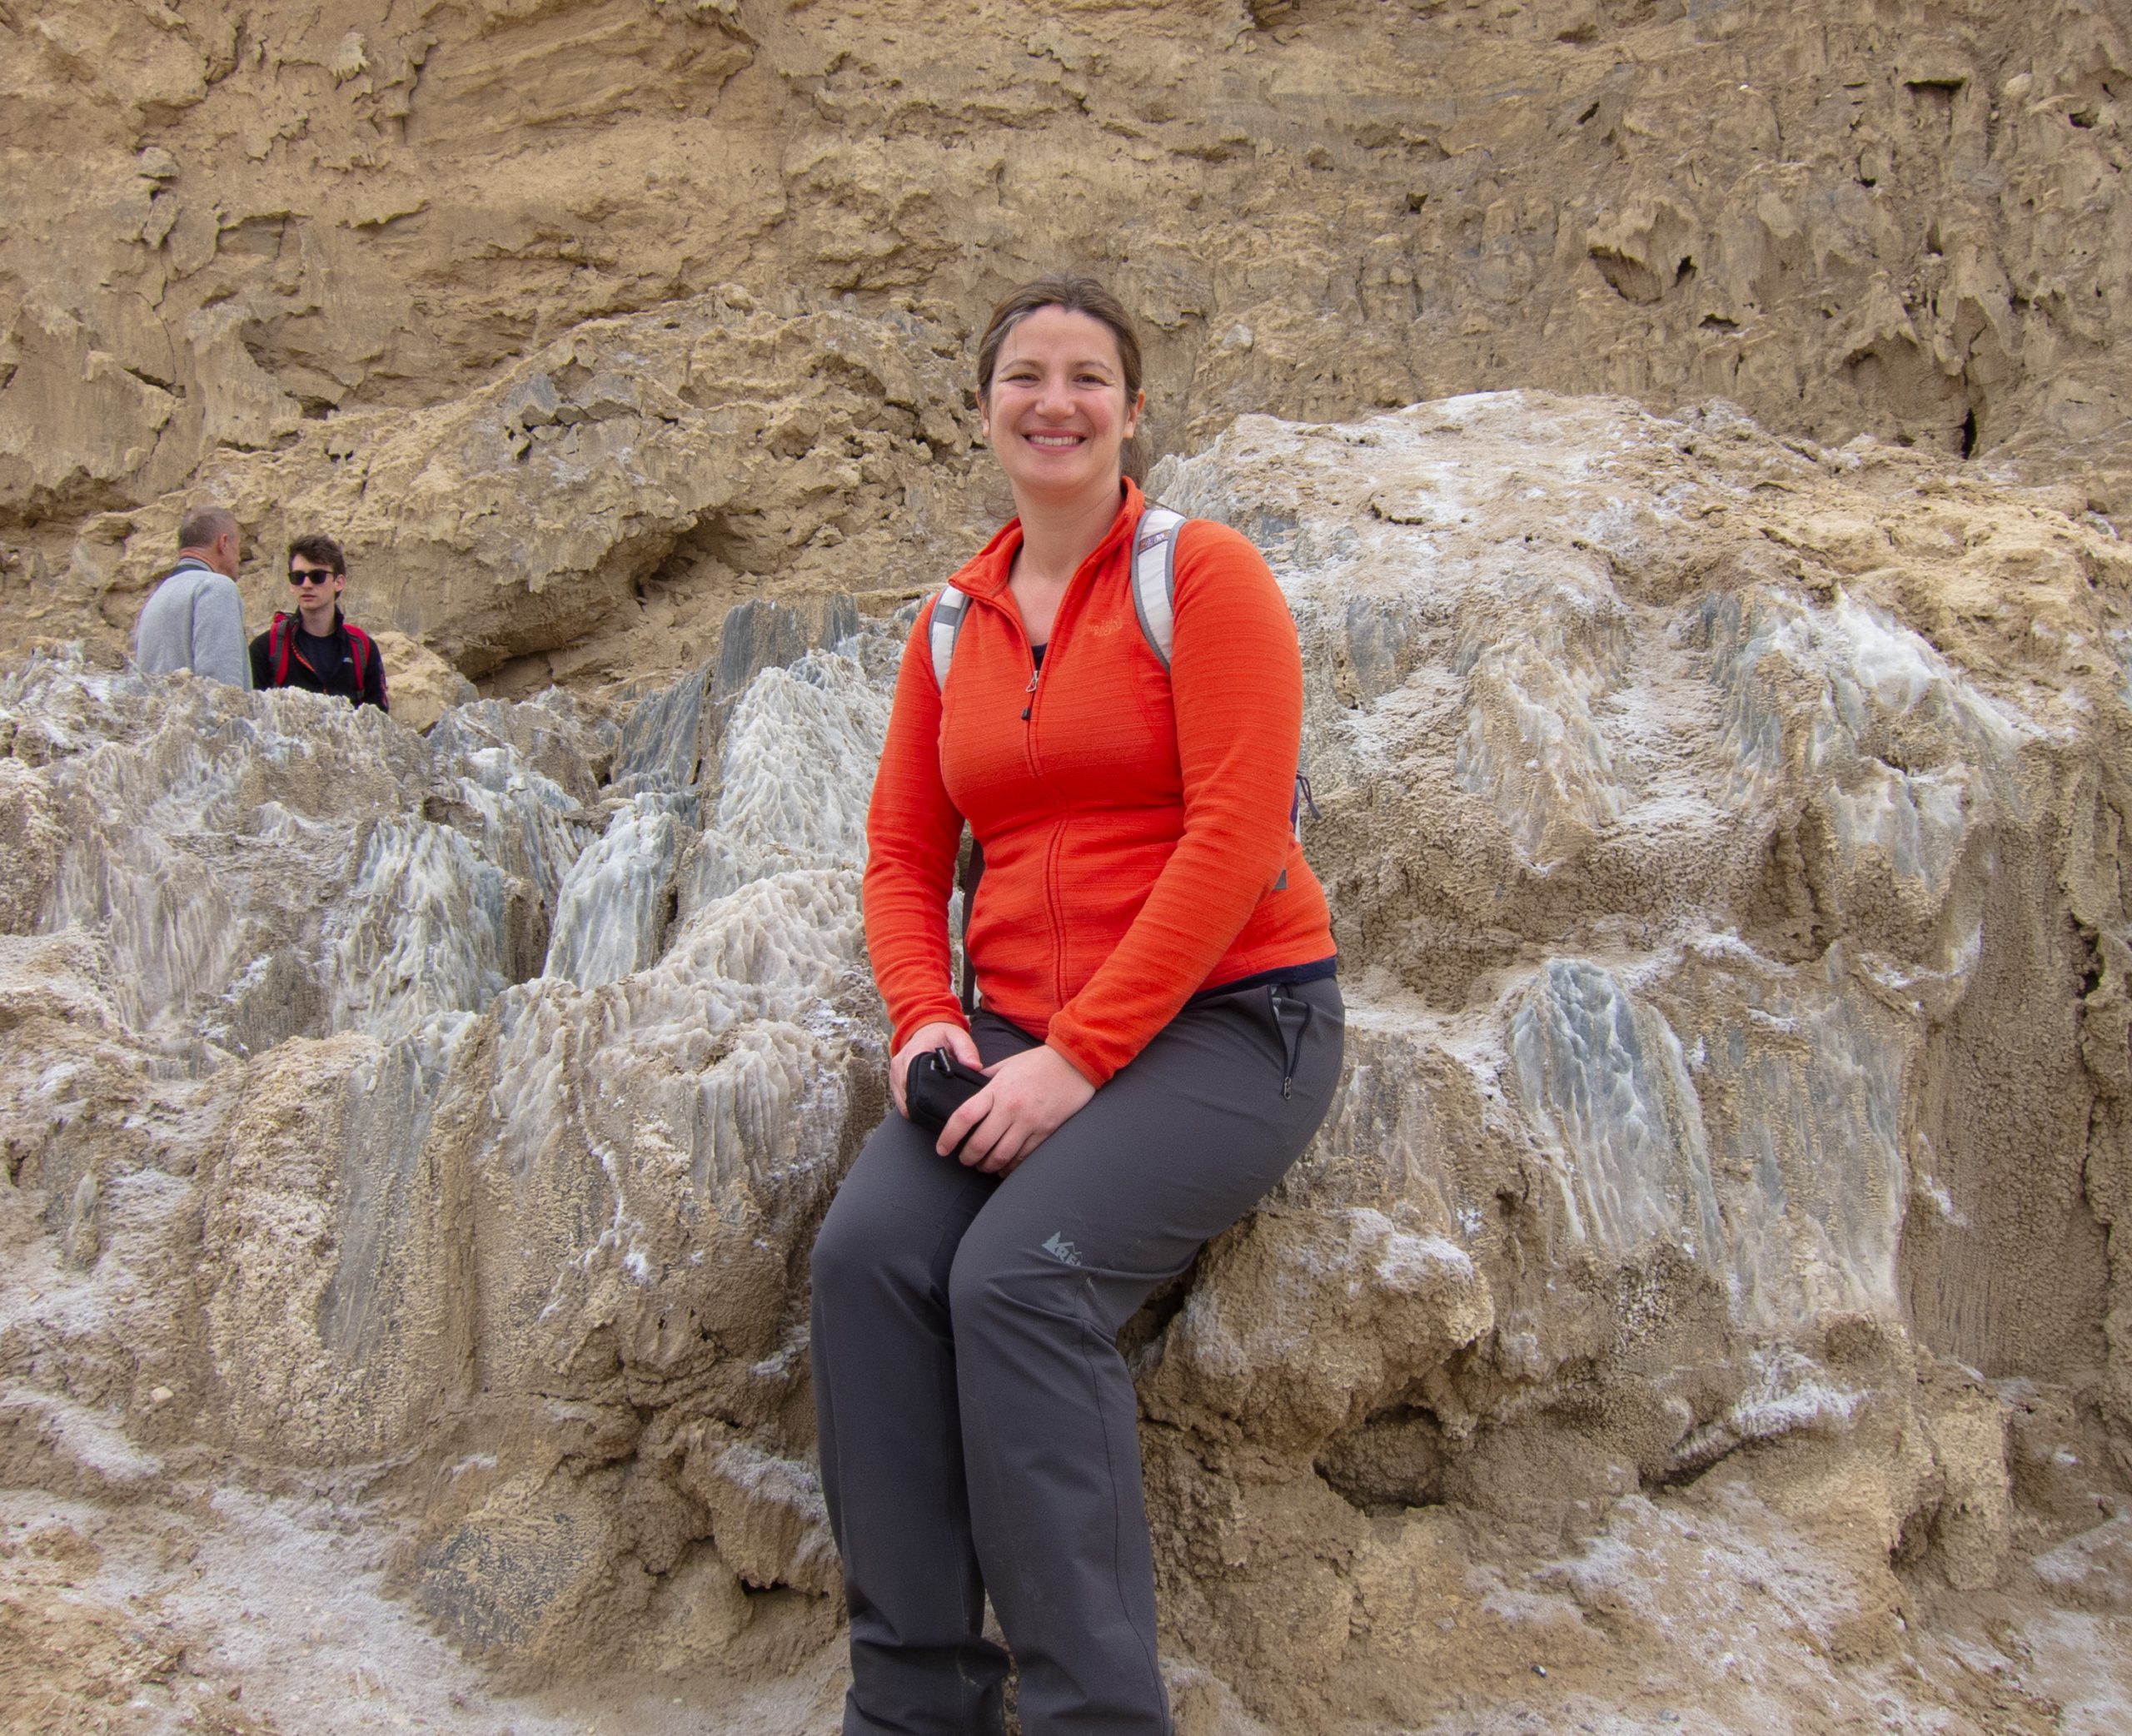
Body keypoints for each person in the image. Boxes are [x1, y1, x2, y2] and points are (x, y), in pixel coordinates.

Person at [809, 276, 1344, 1736]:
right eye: (1026, 376)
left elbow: (1237, 837)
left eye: (1088, 376)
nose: (1056, 401)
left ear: (1133, 410)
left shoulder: (1205, 575)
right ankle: (914, 1702)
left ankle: (1096, 1718)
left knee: (1020, 1279)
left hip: (1234, 1020)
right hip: (1011, 1035)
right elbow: (905, 855)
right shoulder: (950, 622)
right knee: (865, 1263)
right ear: (984, 409)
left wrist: (1080, 1061)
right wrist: (926, 1017)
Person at [249, 534, 389, 711]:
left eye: (317, 576)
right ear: (291, 585)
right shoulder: (266, 648)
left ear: (339, 582)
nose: (306, 584)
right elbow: (254, 716)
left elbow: (379, 721)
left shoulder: (362, 648)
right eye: (298, 577)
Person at [133, 504, 252, 689]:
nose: (239, 558)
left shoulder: (156, 598)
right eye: (238, 547)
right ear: (224, 543)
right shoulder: (216, 588)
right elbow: (223, 687)